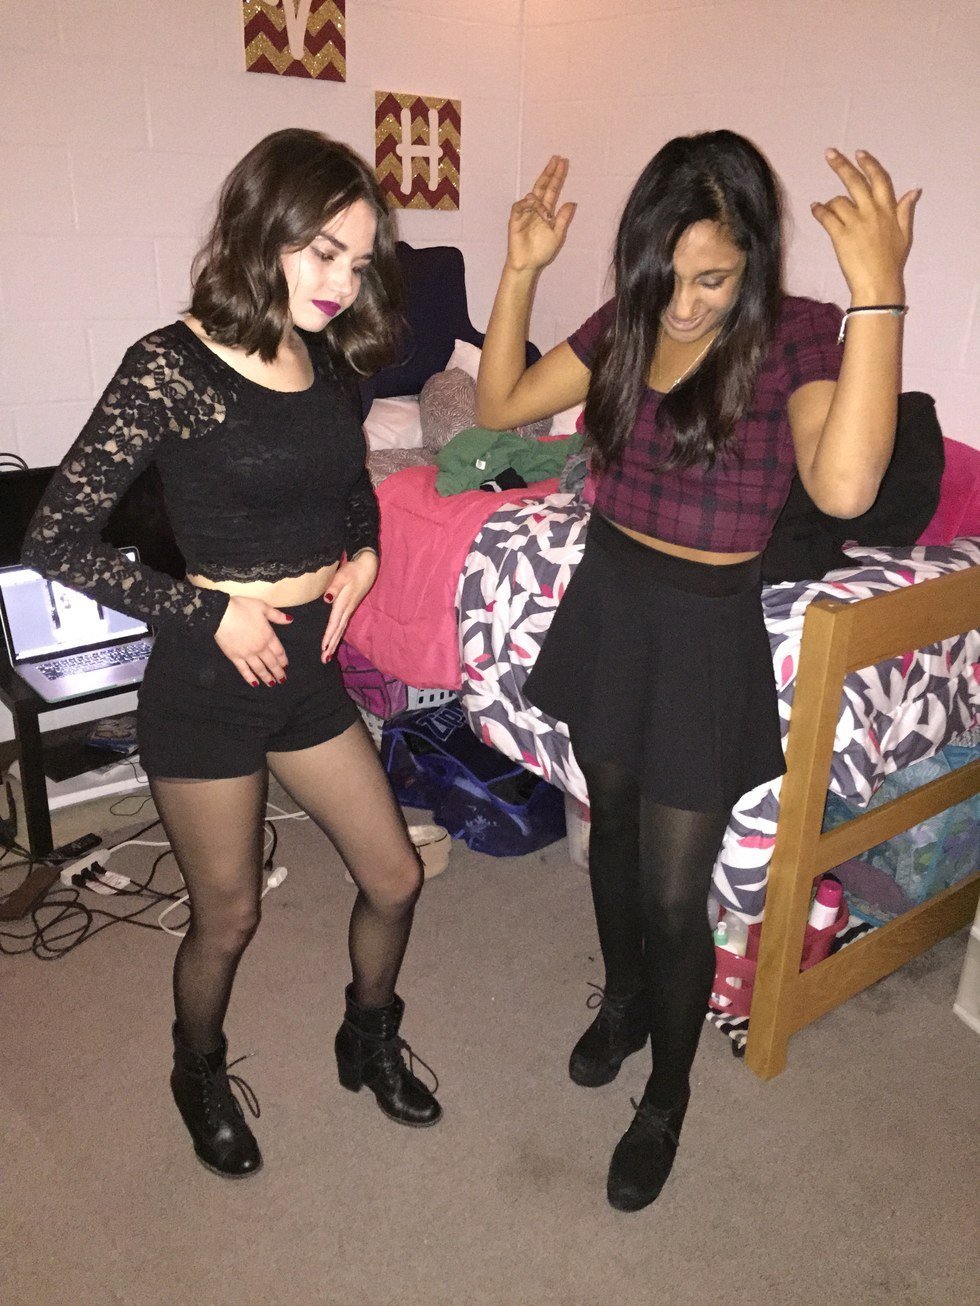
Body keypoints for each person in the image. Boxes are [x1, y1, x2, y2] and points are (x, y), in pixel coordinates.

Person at [476, 132, 918, 1211]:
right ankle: (625, 1002)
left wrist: (880, 293)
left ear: (753, 259)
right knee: (609, 834)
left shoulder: (799, 335)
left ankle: (667, 1096)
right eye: (665, 275)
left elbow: (847, 488)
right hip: (608, 603)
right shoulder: (629, 320)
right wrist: (520, 267)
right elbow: (498, 408)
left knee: (676, 897)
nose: (681, 306)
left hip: (704, 632)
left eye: (711, 279)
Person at [23, 128, 443, 1179]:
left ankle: (367, 1035)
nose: (341, 283)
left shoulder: (324, 358)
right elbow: (55, 538)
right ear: (262, 230)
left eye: (358, 261)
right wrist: (208, 612)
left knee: (394, 875)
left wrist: (363, 557)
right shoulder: (168, 366)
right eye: (322, 252)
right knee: (230, 913)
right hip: (209, 675)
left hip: (305, 667)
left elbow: (349, 489)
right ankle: (197, 1071)